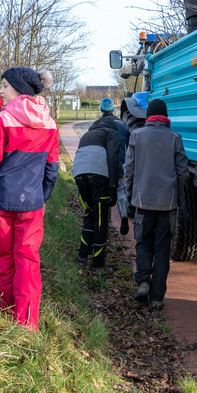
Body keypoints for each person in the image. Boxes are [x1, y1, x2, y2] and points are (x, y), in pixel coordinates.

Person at [0, 67, 58, 330]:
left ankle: (3, 312)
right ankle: (27, 323)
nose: (0, 91)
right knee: (28, 259)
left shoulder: (1, 121)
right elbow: (51, 170)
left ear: (19, 89)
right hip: (31, 205)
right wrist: (40, 197)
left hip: (1, 202)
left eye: (5, 86)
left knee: (4, 257)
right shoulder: (50, 124)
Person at [124, 98, 188, 310]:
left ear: (148, 116)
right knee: (162, 249)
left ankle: (143, 282)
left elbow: (129, 170)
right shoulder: (174, 137)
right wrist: (176, 197)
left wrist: (129, 197)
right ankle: (158, 297)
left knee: (143, 243)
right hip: (167, 205)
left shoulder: (137, 135)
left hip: (143, 203)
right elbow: (182, 172)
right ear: (165, 116)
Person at [71, 98, 128, 273]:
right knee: (101, 220)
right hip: (98, 174)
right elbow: (112, 158)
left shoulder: (90, 133)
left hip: (79, 173)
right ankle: (98, 266)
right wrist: (112, 187)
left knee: (90, 214)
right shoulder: (112, 133)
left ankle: (82, 258)